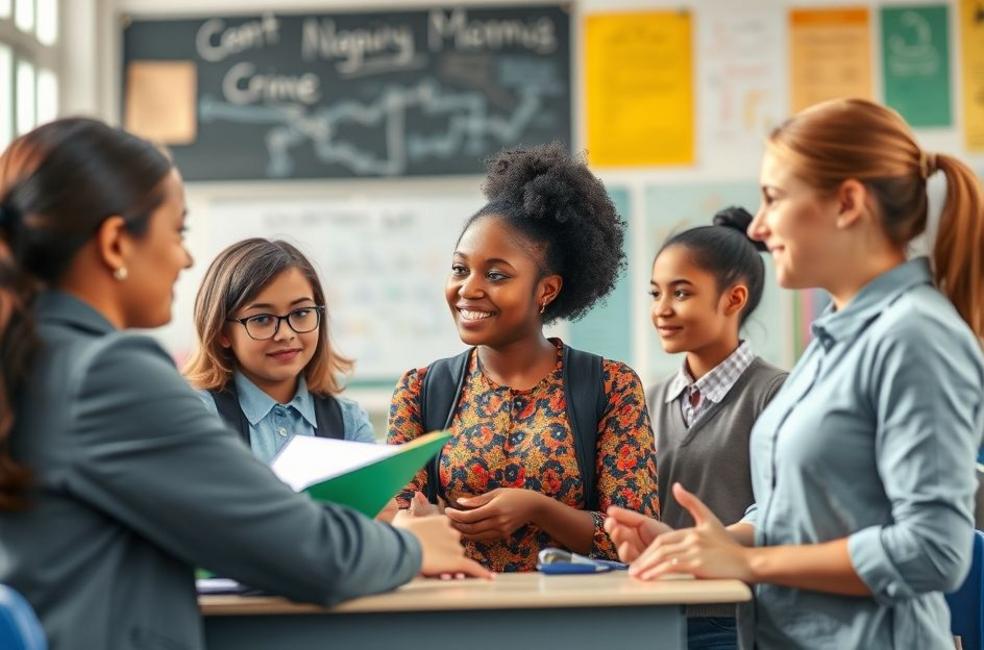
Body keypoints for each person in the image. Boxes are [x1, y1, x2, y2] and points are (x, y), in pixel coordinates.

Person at [0, 118, 489, 650]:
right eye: (177, 232)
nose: (185, 258)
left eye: (301, 314)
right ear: (117, 243)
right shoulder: (107, 372)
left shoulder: (37, 354)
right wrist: (411, 546)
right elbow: (300, 548)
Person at [606, 98, 984, 649]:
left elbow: (934, 549)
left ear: (848, 203)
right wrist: (699, 547)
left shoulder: (916, 337)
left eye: (774, 198)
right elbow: (798, 508)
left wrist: (750, 560)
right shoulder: (835, 336)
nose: (758, 227)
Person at [387, 143, 659, 572]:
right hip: (454, 621)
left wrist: (538, 508)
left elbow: (638, 535)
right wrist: (415, 522)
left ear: (546, 290)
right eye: (460, 269)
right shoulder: (420, 390)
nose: (469, 289)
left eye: (496, 275)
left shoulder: (611, 386)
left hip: (580, 625)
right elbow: (397, 520)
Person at [647, 206, 786, 649]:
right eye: (656, 294)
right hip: (652, 612)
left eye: (681, 293)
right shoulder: (644, 401)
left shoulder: (776, 394)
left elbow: (783, 511)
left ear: (734, 299)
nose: (662, 310)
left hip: (736, 620)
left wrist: (708, 544)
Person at [185, 238, 375, 464]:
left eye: (301, 313)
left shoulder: (348, 420)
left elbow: (376, 499)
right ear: (222, 332)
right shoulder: (198, 416)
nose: (285, 334)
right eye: (262, 319)